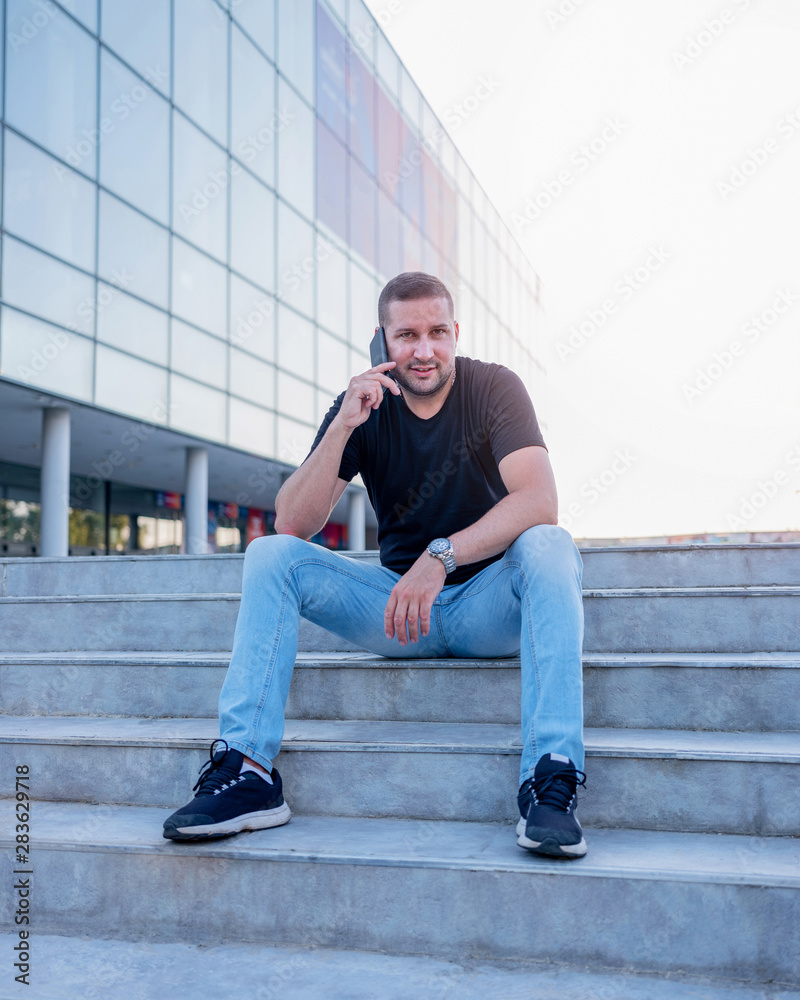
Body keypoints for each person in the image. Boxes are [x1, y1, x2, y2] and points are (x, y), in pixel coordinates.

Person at [163, 271, 587, 859]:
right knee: (270, 553)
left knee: (550, 544)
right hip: (398, 614)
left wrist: (441, 557)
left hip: (490, 604)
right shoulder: (362, 406)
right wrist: (343, 425)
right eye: (406, 334)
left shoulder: (495, 389)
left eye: (438, 332)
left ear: (455, 333)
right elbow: (293, 522)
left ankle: (550, 777)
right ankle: (250, 772)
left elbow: (539, 501)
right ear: (382, 342)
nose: (424, 349)